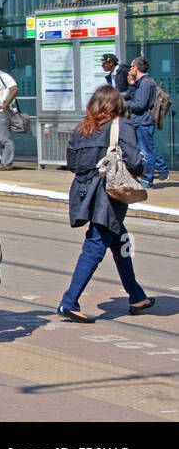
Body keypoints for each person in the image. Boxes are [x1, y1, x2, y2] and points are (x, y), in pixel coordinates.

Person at [57, 86, 154, 322]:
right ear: (116, 104)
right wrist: (143, 167)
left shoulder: (83, 127)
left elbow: (72, 162)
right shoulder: (121, 124)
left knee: (119, 239)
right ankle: (69, 302)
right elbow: (133, 160)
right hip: (107, 195)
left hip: (83, 192)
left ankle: (136, 296)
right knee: (95, 245)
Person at [125, 57, 168, 187]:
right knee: (149, 149)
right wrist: (132, 85)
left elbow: (140, 104)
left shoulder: (145, 84)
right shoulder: (142, 82)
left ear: (136, 68)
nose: (130, 69)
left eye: (131, 66)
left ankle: (147, 180)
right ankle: (162, 170)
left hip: (143, 123)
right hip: (140, 122)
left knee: (147, 152)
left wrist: (123, 103)